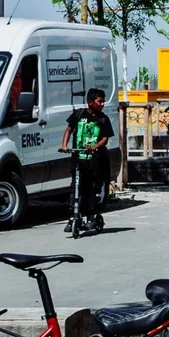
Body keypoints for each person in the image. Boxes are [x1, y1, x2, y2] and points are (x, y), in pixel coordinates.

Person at [61, 88, 113, 233]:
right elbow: (69, 130)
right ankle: (73, 216)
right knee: (76, 188)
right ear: (90, 102)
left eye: (103, 101)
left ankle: (91, 216)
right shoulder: (78, 115)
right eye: (99, 101)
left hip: (95, 161)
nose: (102, 104)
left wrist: (96, 146)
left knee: (91, 189)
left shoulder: (103, 119)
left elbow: (105, 138)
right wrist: (64, 145)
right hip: (78, 160)